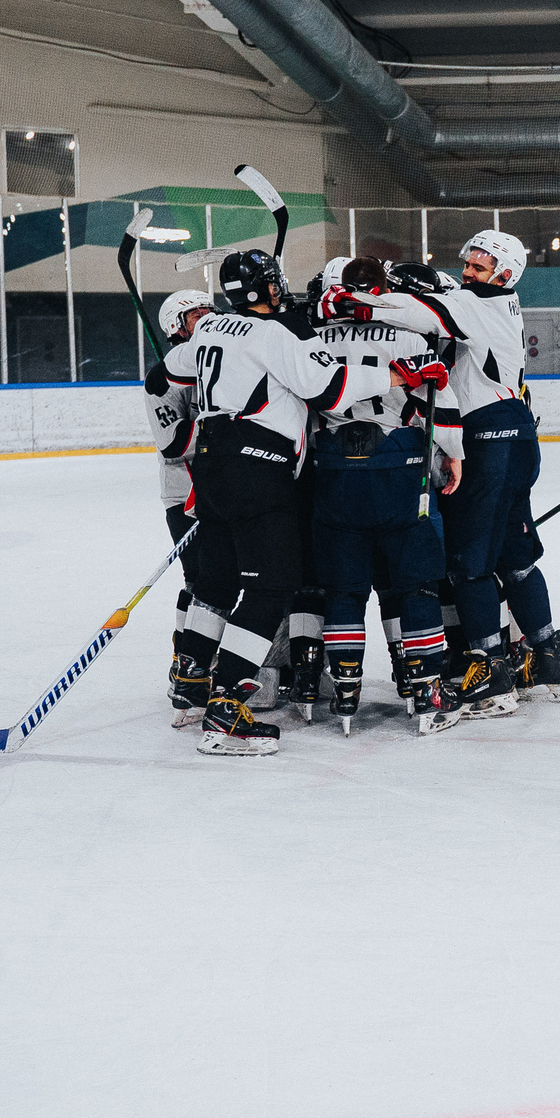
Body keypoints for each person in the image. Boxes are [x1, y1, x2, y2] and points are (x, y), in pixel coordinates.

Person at [165, 250, 403, 755]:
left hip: (210, 464)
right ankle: (226, 705)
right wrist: (397, 378)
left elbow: (167, 370)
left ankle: (190, 678)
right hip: (258, 468)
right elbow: (332, 392)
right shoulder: (278, 334)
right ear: (269, 288)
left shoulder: (208, 329)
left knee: (217, 580)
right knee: (273, 585)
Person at [323, 230, 560, 719]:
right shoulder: (488, 304)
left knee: (469, 565)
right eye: (469, 261)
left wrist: (357, 300)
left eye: (480, 264)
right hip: (516, 433)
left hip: (486, 437)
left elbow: (418, 312)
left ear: (505, 273)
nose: (469, 270)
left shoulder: (482, 305)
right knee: (515, 558)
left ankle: (490, 671)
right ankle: (546, 661)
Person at [308, 257, 463, 734]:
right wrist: (453, 455)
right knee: (415, 583)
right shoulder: (412, 340)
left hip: (335, 475)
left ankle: (347, 687)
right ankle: (425, 688)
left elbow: (305, 406)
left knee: (345, 586)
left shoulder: (314, 342)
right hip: (400, 472)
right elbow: (439, 406)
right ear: (382, 291)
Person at [146, 288, 219, 725]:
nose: (208, 317)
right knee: (201, 582)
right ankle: (187, 669)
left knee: (227, 582)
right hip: (186, 498)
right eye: (197, 314)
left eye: (211, 310)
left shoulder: (225, 363)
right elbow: (174, 443)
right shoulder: (162, 378)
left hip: (225, 493)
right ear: (176, 325)